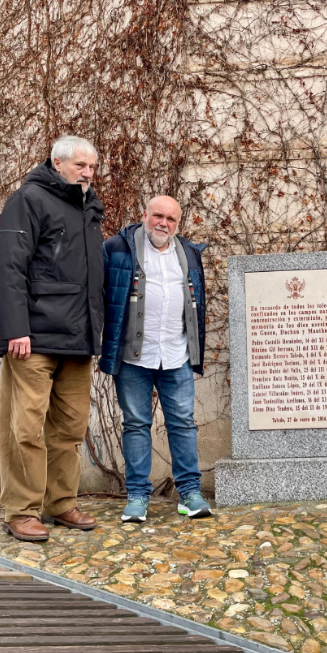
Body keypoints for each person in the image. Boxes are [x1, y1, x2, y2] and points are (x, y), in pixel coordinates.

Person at [0, 135, 104, 542]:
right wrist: (15, 328)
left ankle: (61, 503)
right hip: (34, 338)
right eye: (80, 166)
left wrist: (95, 334)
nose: (88, 173)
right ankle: (20, 510)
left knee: (70, 429)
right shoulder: (29, 199)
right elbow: (7, 266)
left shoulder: (89, 208)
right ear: (58, 163)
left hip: (77, 341)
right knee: (26, 428)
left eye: (92, 167)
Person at [100, 195, 212, 523]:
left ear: (179, 223)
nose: (163, 223)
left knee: (182, 424)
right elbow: (102, 296)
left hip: (176, 354)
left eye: (171, 219)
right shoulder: (117, 249)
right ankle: (137, 496)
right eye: (158, 216)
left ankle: (190, 494)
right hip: (134, 356)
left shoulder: (189, 252)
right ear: (144, 215)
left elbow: (196, 302)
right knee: (135, 424)